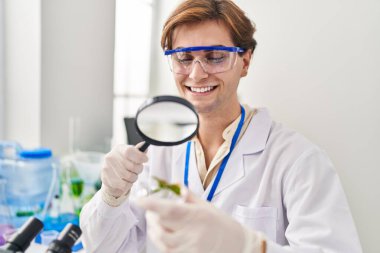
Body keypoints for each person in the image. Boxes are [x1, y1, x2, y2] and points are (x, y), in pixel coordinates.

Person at [80, 0, 363, 252]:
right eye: (184, 57)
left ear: (245, 60)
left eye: (215, 56)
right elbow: (107, 247)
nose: (196, 73)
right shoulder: (157, 155)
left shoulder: (298, 160)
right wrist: (111, 196)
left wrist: (251, 247)